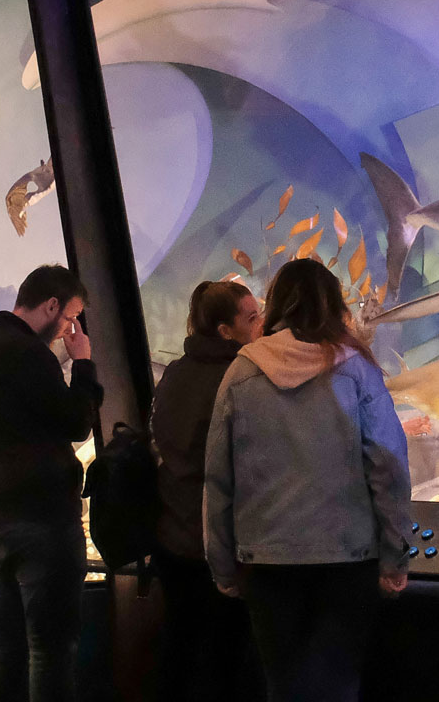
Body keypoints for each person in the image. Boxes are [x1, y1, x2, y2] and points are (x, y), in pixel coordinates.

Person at [204, 258, 411, 702]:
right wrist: (395, 556)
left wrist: (222, 564)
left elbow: (218, 480)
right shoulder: (356, 369)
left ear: (275, 304)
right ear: (334, 305)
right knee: (339, 688)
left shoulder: (241, 372)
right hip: (347, 559)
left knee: (283, 689)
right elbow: (388, 467)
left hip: (266, 563)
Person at [0, 265, 104, 702]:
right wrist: (83, 363)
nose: (68, 331)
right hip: (43, 526)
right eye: (70, 319)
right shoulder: (30, 354)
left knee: (3, 646)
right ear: (51, 306)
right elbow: (78, 422)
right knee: (51, 652)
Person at [150, 280, 264, 700]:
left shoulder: (176, 372)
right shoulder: (239, 380)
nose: (262, 323)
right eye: (252, 318)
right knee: (226, 661)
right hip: (216, 545)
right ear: (224, 331)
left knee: (179, 648)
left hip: (172, 537)